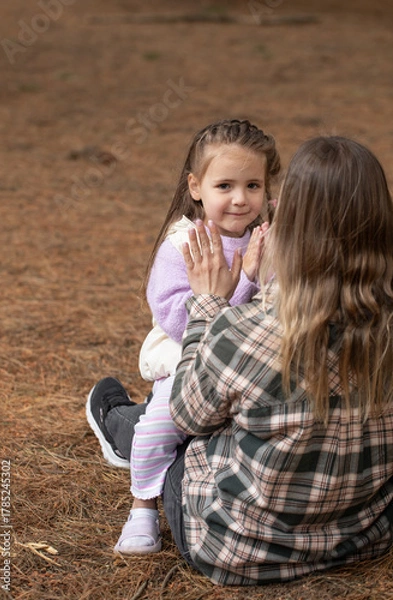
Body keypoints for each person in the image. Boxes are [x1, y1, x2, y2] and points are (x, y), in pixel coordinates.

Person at [88, 134, 393, 586]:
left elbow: (188, 414)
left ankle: (118, 423)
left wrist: (210, 305)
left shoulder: (249, 330)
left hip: (236, 547)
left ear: (291, 221)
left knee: (175, 431)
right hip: (363, 535)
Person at [86, 119, 281, 555]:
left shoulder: (267, 239)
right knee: (160, 424)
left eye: (252, 185)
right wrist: (244, 280)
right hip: (188, 362)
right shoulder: (183, 244)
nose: (239, 198)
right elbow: (178, 318)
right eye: (224, 185)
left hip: (247, 367)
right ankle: (142, 508)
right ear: (196, 186)